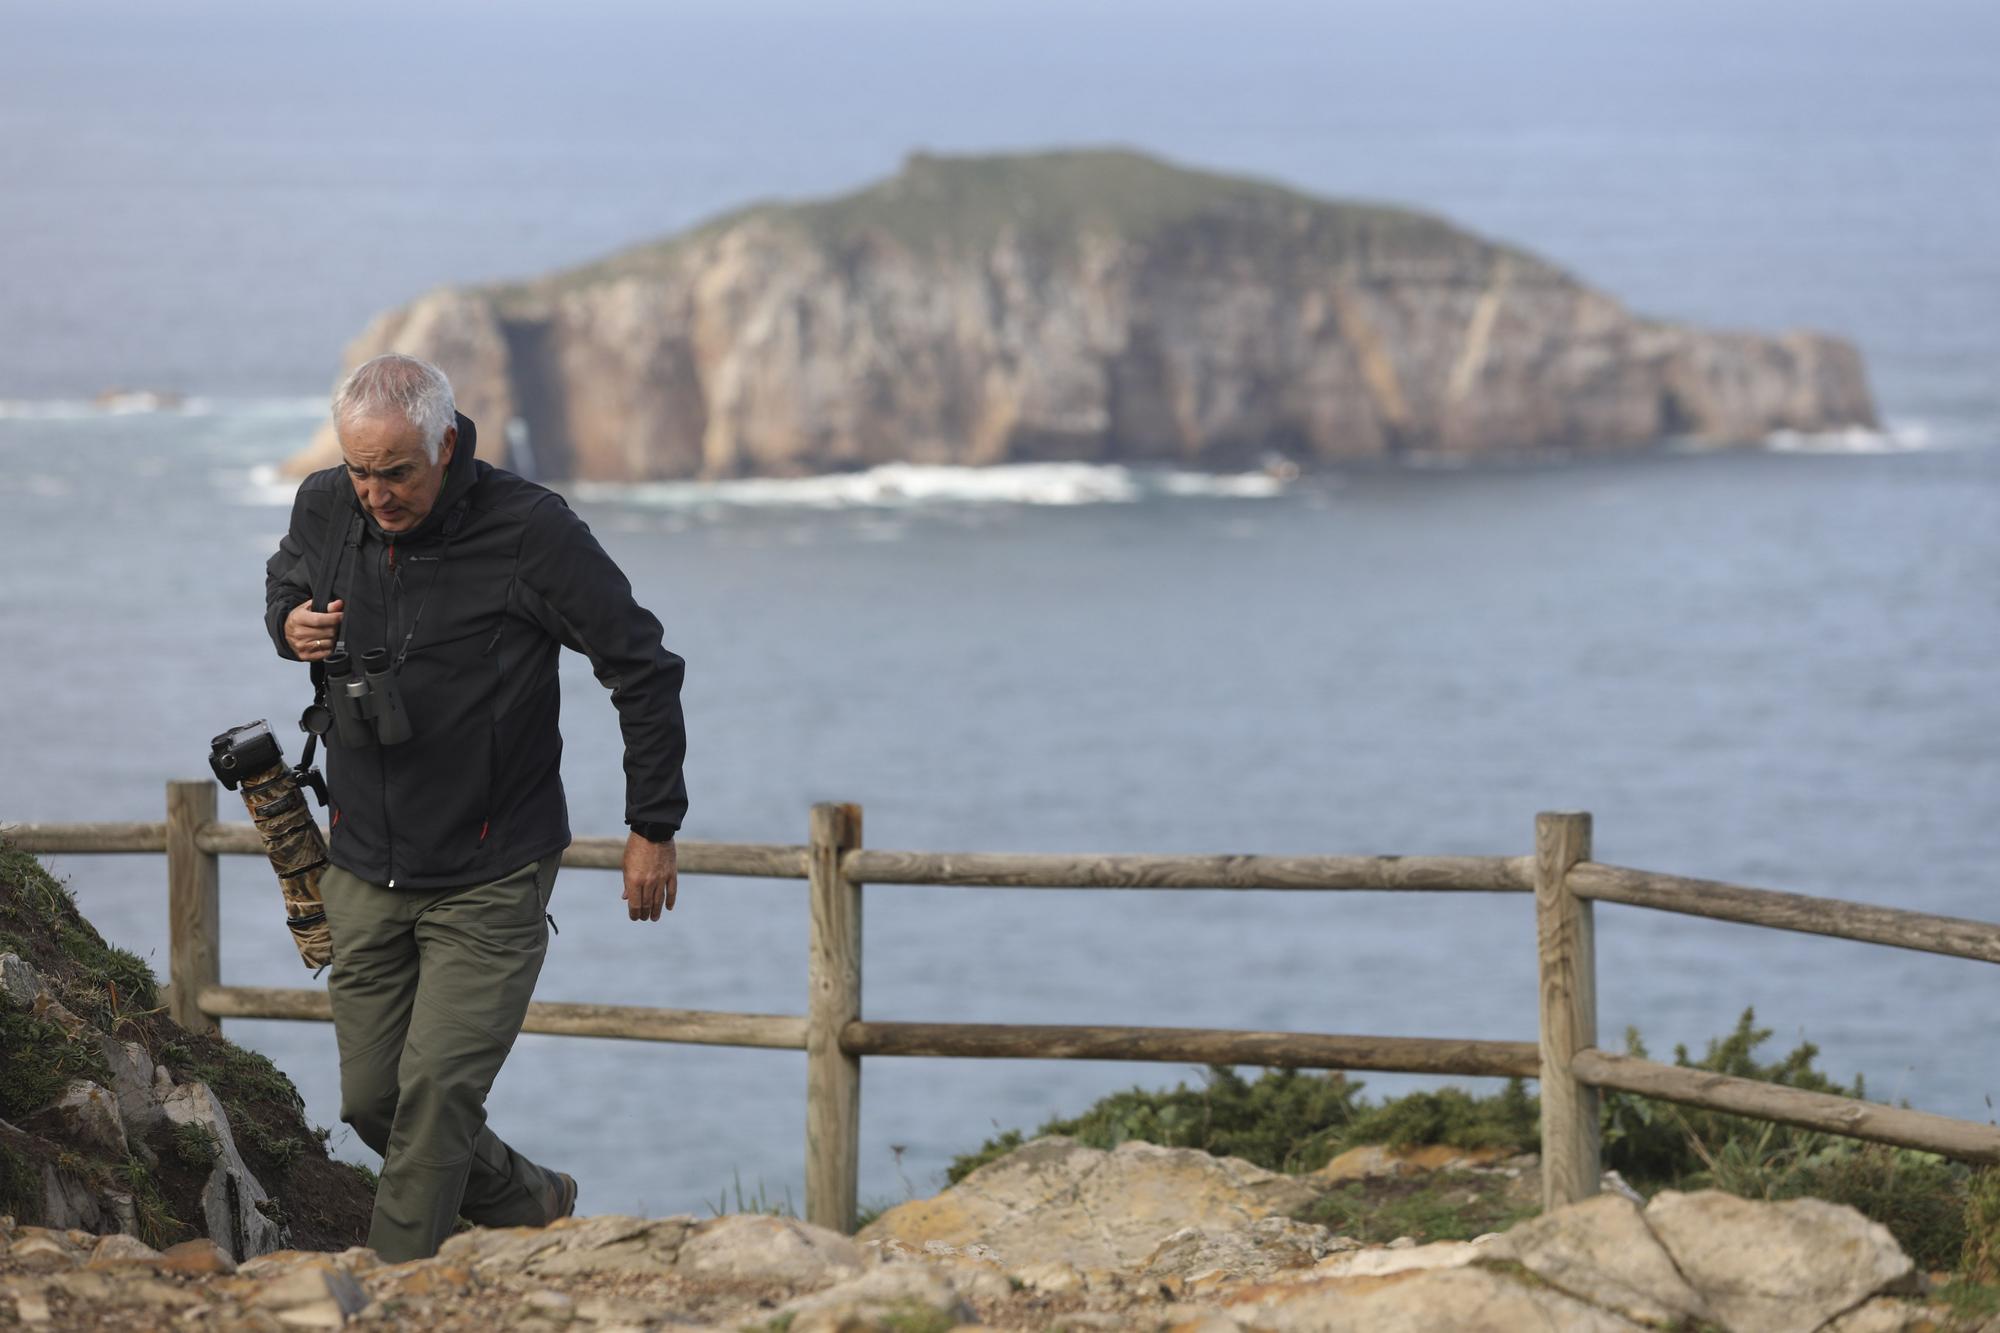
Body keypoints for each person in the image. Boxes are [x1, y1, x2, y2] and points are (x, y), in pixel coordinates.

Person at [263, 353, 687, 1262]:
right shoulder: (325, 503)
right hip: (364, 859)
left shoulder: (533, 531)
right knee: (374, 1102)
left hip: (492, 872)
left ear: (446, 445)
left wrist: (653, 825)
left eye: (397, 471)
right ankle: (534, 1199)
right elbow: (287, 578)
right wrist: (290, 623)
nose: (374, 493)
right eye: (360, 470)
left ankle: (384, 1298)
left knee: (434, 1099)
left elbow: (643, 668)